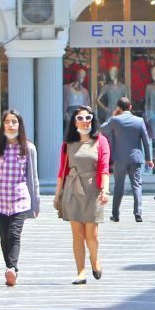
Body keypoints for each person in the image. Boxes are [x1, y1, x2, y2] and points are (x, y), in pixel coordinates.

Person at [0, 109, 39, 287]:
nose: (11, 125)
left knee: (14, 234)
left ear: (19, 125)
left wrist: (35, 203)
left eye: (14, 122)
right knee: (4, 236)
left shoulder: (28, 148)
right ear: (3, 125)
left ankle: (12, 268)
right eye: (7, 122)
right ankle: (10, 267)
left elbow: (33, 177)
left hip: (19, 199)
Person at [56, 106, 111, 285]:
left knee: (92, 234)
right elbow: (62, 171)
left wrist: (105, 190)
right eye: (80, 118)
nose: (85, 121)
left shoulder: (101, 141)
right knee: (77, 234)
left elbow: (104, 168)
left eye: (88, 117)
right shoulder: (67, 144)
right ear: (74, 122)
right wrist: (57, 195)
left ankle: (94, 260)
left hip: (92, 190)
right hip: (73, 189)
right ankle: (80, 271)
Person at [100, 97, 153, 224]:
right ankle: (138, 213)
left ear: (119, 108)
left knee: (119, 186)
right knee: (137, 185)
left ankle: (115, 214)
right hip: (136, 158)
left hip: (119, 158)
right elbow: (146, 141)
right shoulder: (139, 121)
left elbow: (102, 129)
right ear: (130, 107)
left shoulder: (115, 120)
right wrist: (148, 159)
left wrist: (113, 116)